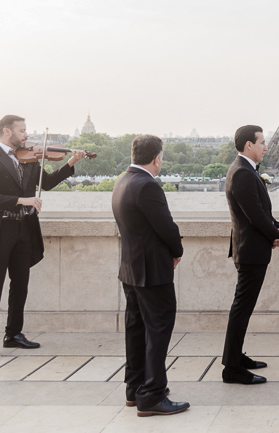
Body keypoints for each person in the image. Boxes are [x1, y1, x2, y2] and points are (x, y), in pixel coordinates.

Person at [0, 115, 86, 361]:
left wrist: (71, 162)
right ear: (6, 132)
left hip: (24, 228)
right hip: (0, 229)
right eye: (22, 131)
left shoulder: (29, 158)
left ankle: (13, 334)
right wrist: (20, 200)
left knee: (20, 284)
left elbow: (48, 182)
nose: (26, 135)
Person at [111, 134, 189, 417]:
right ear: (156, 158)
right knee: (158, 330)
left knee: (136, 330)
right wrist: (177, 250)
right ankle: (152, 394)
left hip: (130, 268)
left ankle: (134, 389)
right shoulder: (148, 186)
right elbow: (166, 227)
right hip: (152, 271)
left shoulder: (122, 181)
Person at [221, 125, 279, 384]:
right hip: (251, 251)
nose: (266, 147)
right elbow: (255, 215)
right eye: (261, 143)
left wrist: (276, 226)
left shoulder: (243, 170)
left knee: (243, 308)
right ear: (249, 145)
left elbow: (259, 210)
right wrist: (275, 234)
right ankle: (232, 369)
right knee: (241, 309)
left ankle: (236, 357)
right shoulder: (243, 173)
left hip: (250, 248)